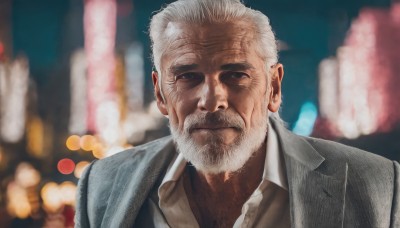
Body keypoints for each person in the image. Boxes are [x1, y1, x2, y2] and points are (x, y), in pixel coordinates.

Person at [75, 0, 399, 227]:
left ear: (273, 88)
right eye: (188, 76)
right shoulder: (101, 186)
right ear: (160, 93)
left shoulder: (378, 187)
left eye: (235, 75)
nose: (211, 100)